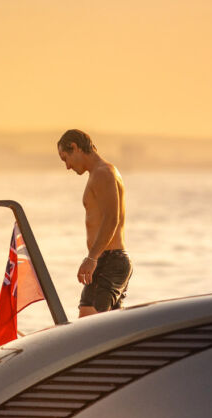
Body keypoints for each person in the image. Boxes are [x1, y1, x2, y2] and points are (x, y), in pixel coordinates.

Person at [57, 129, 132, 317]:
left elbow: (111, 218)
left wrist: (92, 258)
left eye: (65, 158)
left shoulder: (102, 173)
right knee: (108, 330)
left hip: (109, 260)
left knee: (87, 327)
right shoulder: (102, 172)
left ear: (75, 147)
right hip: (109, 260)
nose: (67, 166)